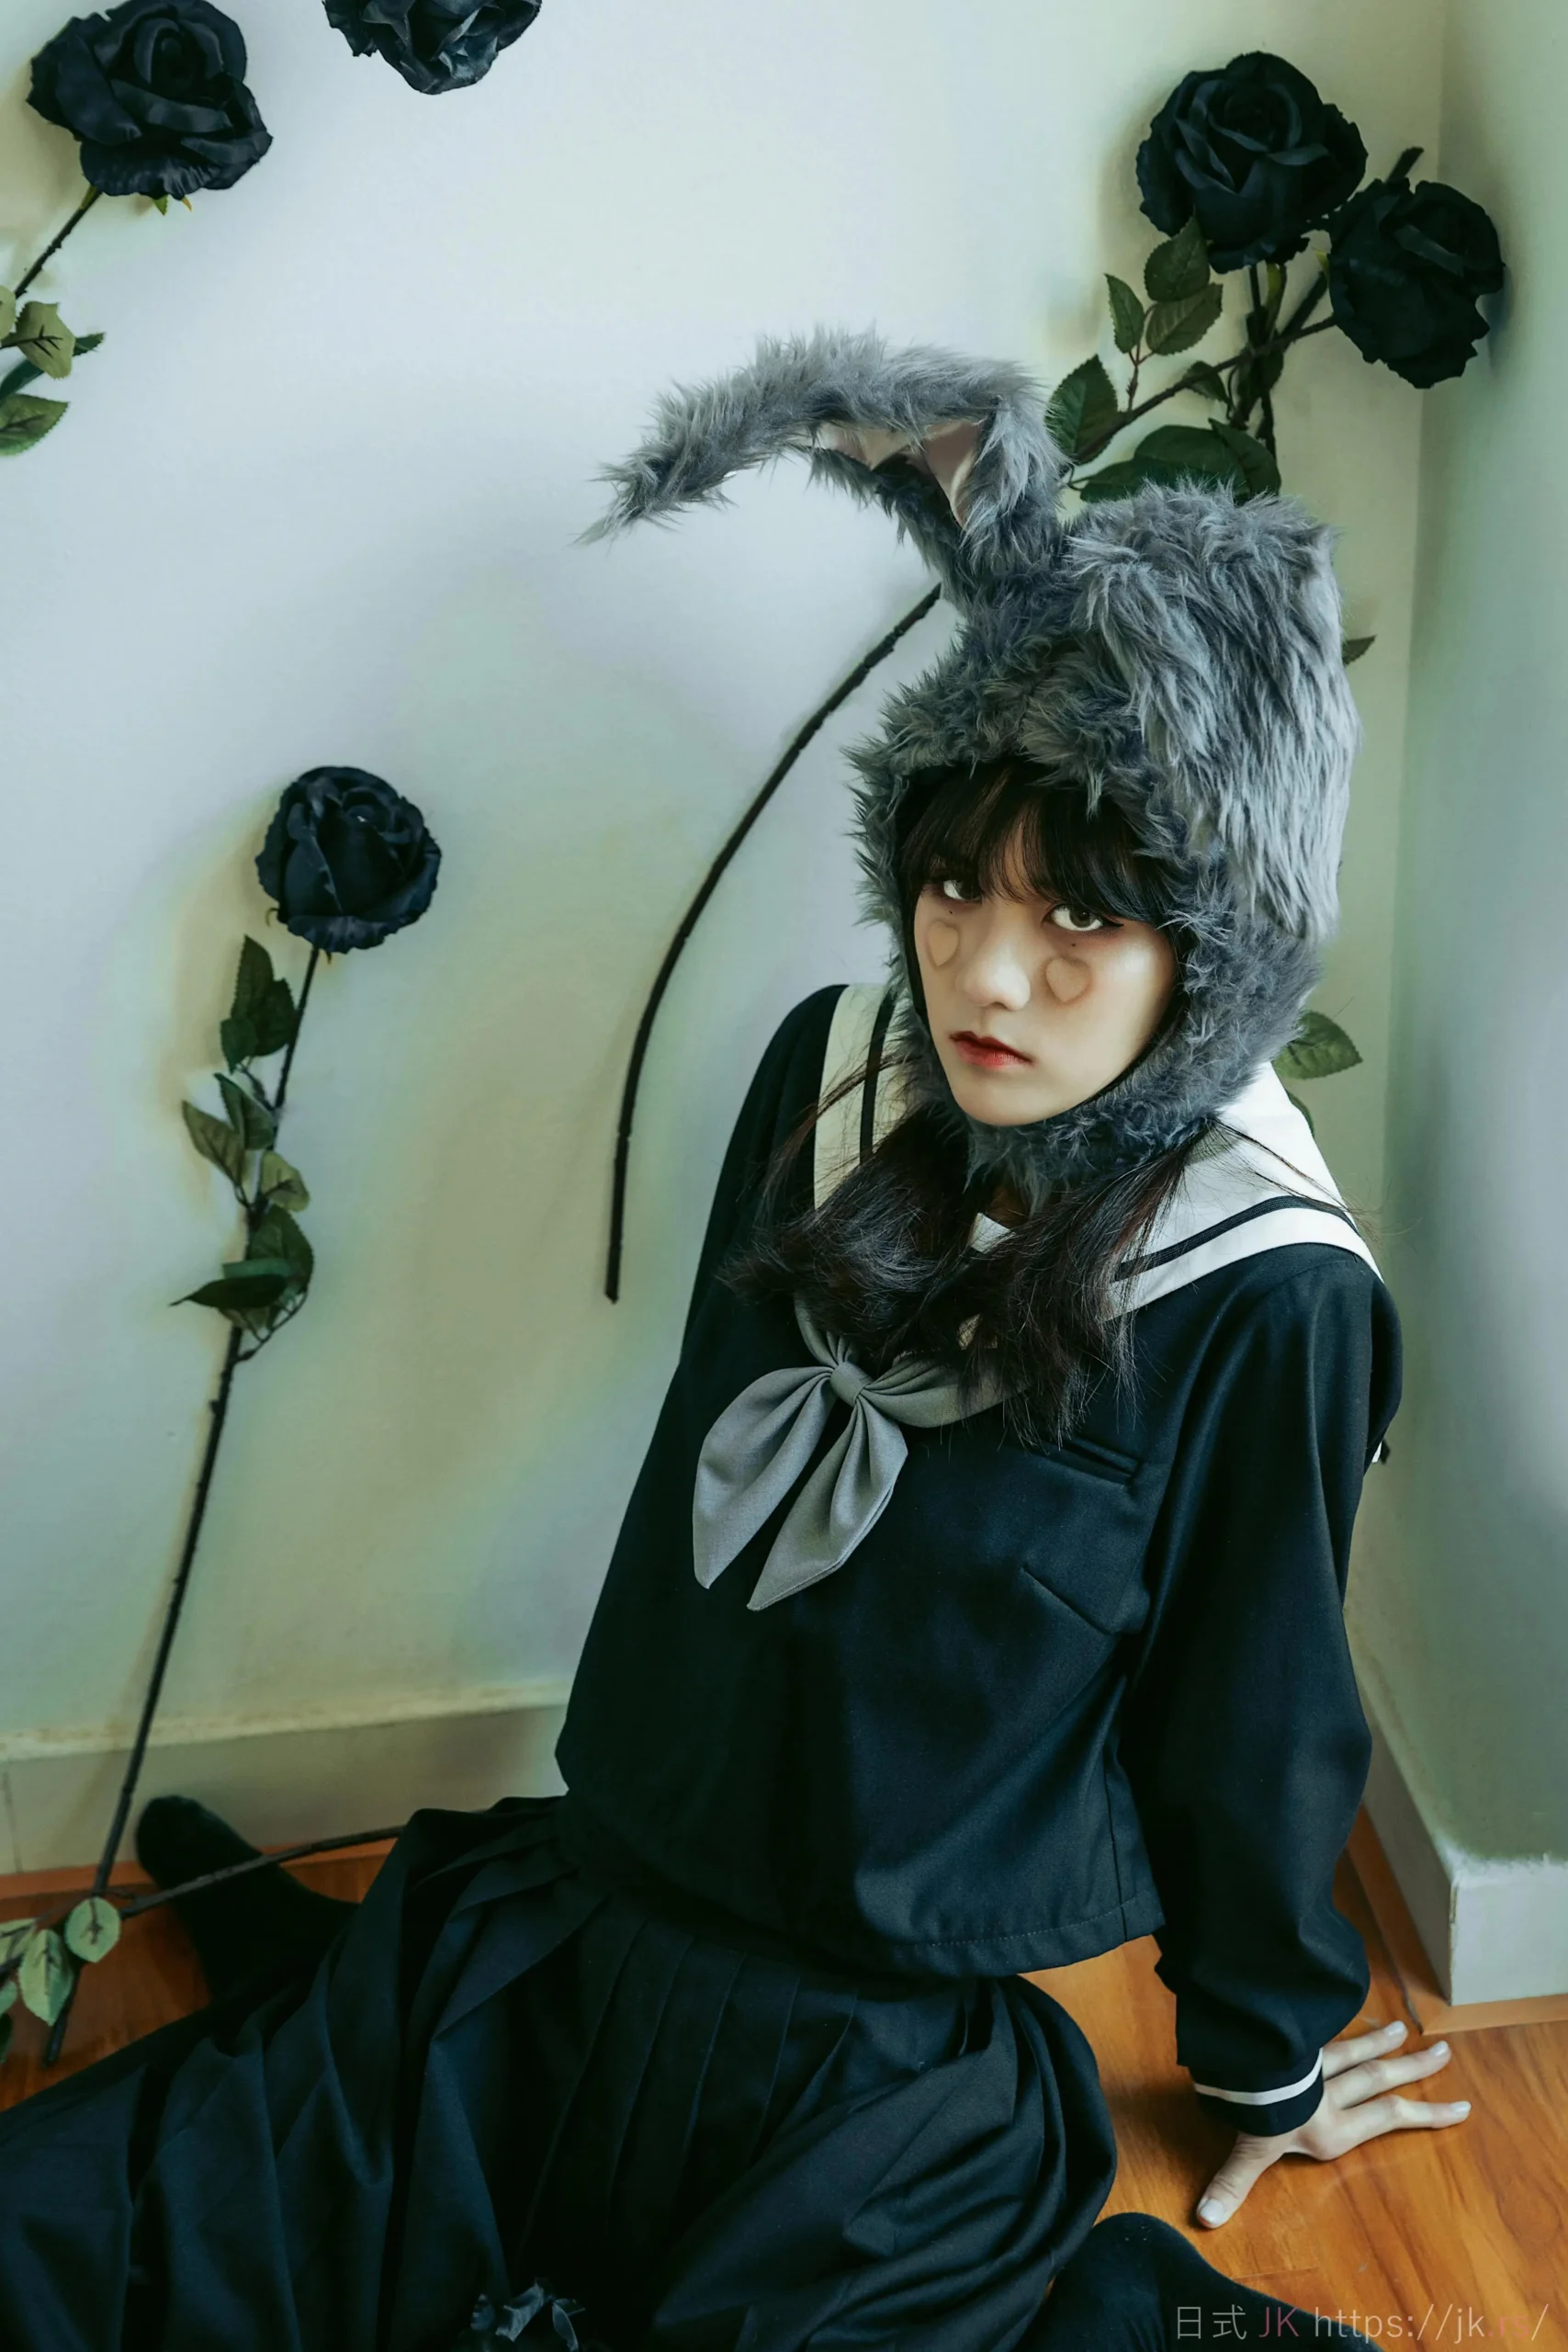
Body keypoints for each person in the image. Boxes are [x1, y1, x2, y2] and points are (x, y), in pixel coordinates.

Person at [0, 331, 1469, 2352]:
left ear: (1207, 948)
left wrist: (1263, 2058)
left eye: (1078, 922)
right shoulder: (824, 1067)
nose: (986, 974)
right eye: (949, 886)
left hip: (880, 2086)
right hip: (559, 1939)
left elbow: (1253, 1713)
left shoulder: (1269, 1288)